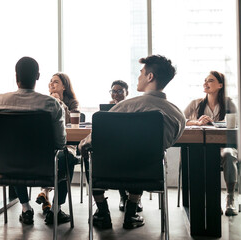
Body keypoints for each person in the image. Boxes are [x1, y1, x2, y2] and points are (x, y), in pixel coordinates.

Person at [79, 55, 185, 230]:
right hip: (147, 174)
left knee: (88, 153)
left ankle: (102, 212)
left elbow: (92, 140)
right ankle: (131, 212)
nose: (139, 77)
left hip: (108, 171)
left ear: (150, 77)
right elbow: (164, 145)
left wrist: (83, 145)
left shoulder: (124, 107)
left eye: (141, 73)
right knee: (143, 156)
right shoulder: (177, 115)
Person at [0, 57, 74, 225]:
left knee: (16, 154)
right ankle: (55, 210)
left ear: (16, 76)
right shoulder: (51, 104)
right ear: (38, 76)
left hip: (9, 165)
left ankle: (26, 208)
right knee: (69, 157)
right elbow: (60, 142)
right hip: (44, 166)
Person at [184, 71, 238, 216]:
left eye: (210, 80)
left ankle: (230, 199)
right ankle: (212, 199)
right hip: (202, 147)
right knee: (201, 157)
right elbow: (180, 120)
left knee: (228, 154)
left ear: (220, 85)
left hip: (225, 146)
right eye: (205, 80)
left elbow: (237, 123)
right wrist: (197, 121)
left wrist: (216, 123)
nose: (205, 83)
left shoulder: (228, 103)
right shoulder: (195, 103)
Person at [36, 72, 79, 214]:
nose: (51, 84)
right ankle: (47, 196)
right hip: (47, 144)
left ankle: (49, 197)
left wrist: (59, 103)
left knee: (66, 157)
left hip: (66, 143)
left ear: (64, 86)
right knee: (51, 158)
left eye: (55, 82)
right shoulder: (43, 100)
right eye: (50, 81)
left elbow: (68, 123)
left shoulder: (73, 103)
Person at [108, 80, 143, 212]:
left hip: (132, 144)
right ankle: (123, 197)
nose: (116, 94)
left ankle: (135, 198)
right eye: (113, 91)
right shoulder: (108, 108)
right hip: (114, 144)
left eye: (120, 91)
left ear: (126, 93)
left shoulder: (133, 107)